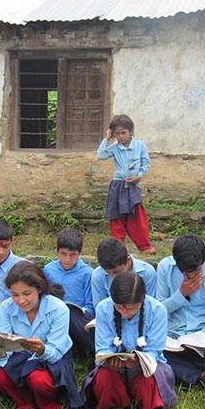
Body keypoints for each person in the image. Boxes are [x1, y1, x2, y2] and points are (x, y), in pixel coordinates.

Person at [0, 261, 84, 409]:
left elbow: (56, 352)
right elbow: (5, 350)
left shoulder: (58, 309)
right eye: (15, 294)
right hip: (19, 359)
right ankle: (25, 403)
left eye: (27, 294)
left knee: (38, 379)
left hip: (51, 360)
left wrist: (42, 350)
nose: (21, 301)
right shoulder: (6, 308)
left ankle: (47, 403)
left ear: (39, 289)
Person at [84, 271, 177, 409]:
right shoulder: (103, 308)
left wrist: (141, 361)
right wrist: (108, 359)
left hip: (146, 368)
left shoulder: (157, 310)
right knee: (104, 377)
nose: (125, 313)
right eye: (119, 308)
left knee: (147, 381)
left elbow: (154, 350)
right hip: (115, 368)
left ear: (142, 299)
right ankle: (112, 408)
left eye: (132, 308)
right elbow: (102, 346)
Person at [155, 234, 205, 390]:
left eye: (196, 270)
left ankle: (183, 370)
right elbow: (159, 311)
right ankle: (202, 375)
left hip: (200, 340)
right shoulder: (165, 267)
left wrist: (198, 339)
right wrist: (182, 294)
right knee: (153, 349)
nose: (191, 276)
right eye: (185, 272)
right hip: (171, 335)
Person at [96, 114, 155, 254]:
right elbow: (100, 155)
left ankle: (145, 246)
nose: (121, 136)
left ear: (130, 132)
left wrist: (139, 176)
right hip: (118, 185)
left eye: (124, 133)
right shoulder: (115, 148)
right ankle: (118, 248)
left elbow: (146, 163)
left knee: (137, 215)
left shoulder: (140, 146)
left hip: (132, 186)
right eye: (117, 134)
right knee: (116, 217)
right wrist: (107, 138)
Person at [43, 228, 95, 357]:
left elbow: (90, 306)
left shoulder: (87, 273)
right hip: (53, 315)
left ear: (80, 252)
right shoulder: (49, 270)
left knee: (70, 315)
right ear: (57, 251)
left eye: (73, 254)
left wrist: (79, 310)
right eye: (63, 254)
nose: (67, 259)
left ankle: (90, 349)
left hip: (77, 318)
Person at [91, 237, 156, 310]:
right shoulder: (98, 275)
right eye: (108, 272)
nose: (113, 277)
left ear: (128, 260)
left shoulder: (147, 272)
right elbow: (100, 309)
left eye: (117, 272)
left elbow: (150, 307)